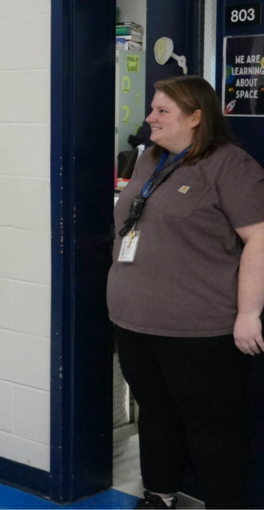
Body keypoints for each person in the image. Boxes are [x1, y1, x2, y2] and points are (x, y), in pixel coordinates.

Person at [108, 76, 264, 510]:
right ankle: (159, 496)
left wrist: (249, 313)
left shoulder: (229, 166)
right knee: (156, 415)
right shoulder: (150, 159)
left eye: (162, 111)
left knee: (211, 428)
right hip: (134, 321)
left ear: (196, 118)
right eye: (152, 108)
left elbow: (260, 238)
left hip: (199, 331)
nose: (149, 118)